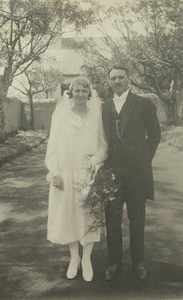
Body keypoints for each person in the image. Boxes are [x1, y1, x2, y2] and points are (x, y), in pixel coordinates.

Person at [45, 77, 108, 282]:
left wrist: (95, 162)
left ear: (89, 94)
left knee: (88, 218)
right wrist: (54, 172)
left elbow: (102, 146)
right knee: (69, 217)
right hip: (65, 173)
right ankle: (75, 259)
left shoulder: (96, 116)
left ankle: (87, 260)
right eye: (76, 90)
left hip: (87, 174)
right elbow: (52, 147)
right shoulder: (60, 116)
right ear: (70, 93)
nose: (80, 94)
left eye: (84, 90)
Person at [102, 65, 161, 280]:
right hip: (111, 173)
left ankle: (138, 261)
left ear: (129, 79)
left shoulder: (143, 104)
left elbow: (155, 135)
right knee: (112, 219)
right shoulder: (103, 107)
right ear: (109, 81)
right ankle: (114, 262)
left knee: (137, 219)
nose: (117, 81)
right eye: (113, 78)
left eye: (121, 77)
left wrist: (144, 160)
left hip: (137, 174)